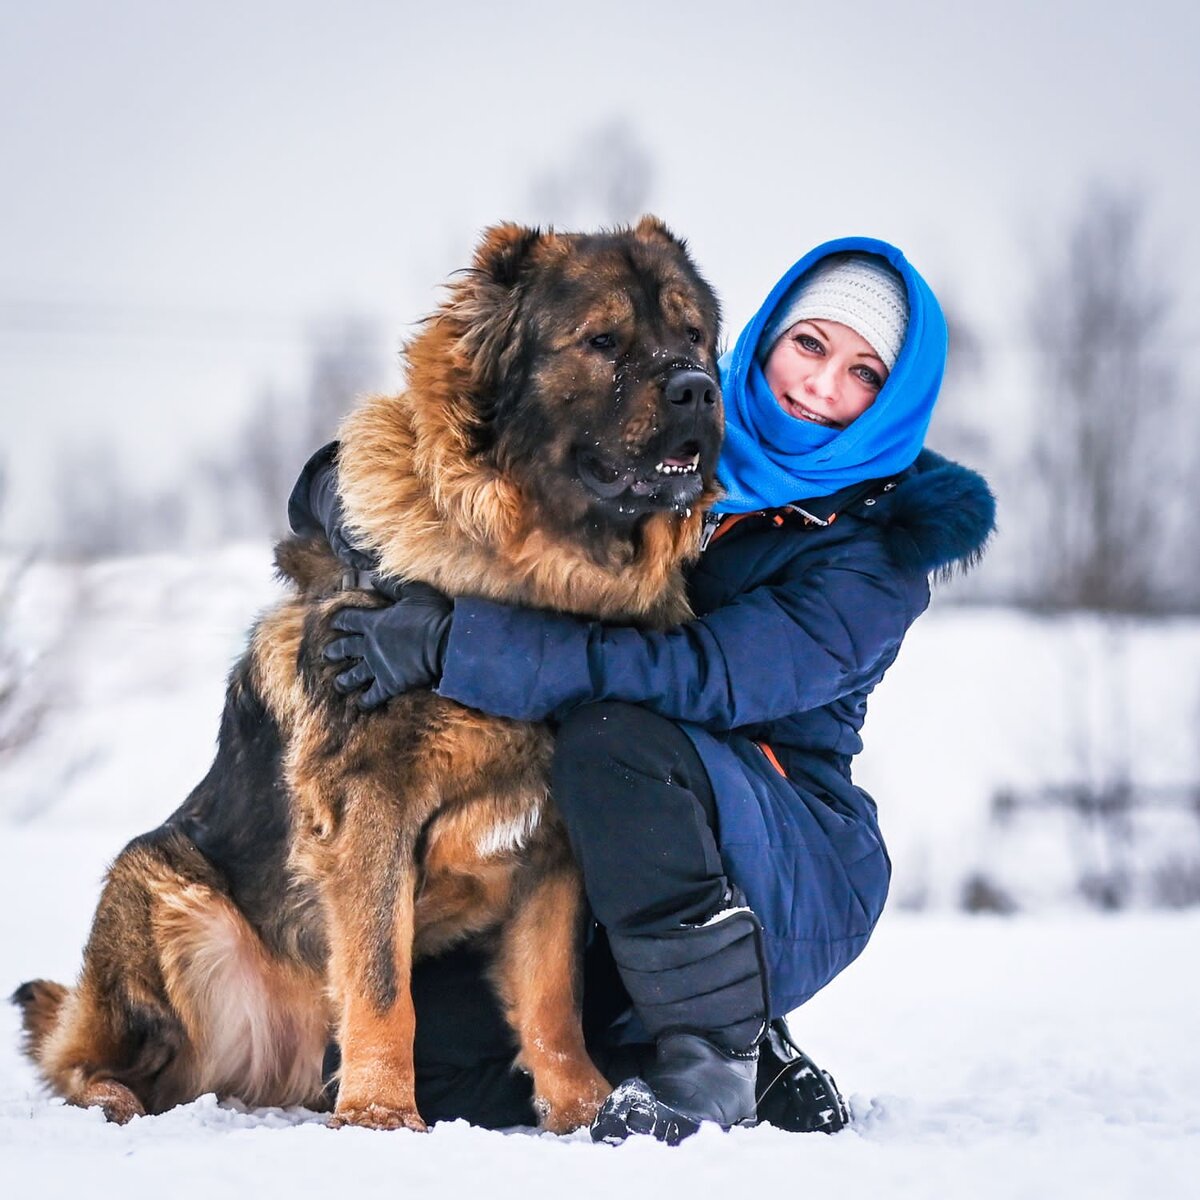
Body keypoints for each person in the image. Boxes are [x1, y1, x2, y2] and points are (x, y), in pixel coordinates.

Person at [289, 236, 996, 1143]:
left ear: (892, 404)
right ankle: (699, 1063)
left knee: (614, 734)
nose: (821, 387)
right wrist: (369, 533)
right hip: (613, 853)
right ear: (765, 338)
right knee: (448, 1059)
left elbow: (694, 674)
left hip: (788, 859)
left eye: (864, 373)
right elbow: (443, 448)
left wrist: (452, 644)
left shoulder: (873, 556)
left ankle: (718, 1057)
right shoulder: (676, 440)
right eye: (809, 346)